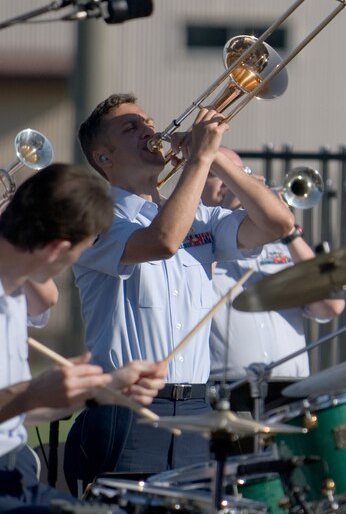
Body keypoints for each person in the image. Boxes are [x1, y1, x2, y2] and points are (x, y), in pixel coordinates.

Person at [64, 94, 296, 490]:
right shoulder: (94, 219)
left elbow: (278, 224)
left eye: (149, 122)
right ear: (104, 158)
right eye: (131, 128)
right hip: (126, 409)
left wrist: (217, 157)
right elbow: (164, 241)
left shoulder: (198, 216)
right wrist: (199, 161)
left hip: (195, 409)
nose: (150, 132)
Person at [0, 163, 166, 513]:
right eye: (81, 250)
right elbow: (20, 403)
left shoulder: (15, 294)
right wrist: (30, 395)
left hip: (15, 467)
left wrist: (102, 391)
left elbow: (19, 416)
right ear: (57, 249)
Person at [203, 147, 344, 412]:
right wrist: (230, 213)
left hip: (291, 391)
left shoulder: (285, 251)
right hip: (226, 392)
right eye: (217, 173)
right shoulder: (196, 247)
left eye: (237, 174)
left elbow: (331, 306)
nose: (230, 181)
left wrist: (287, 230)